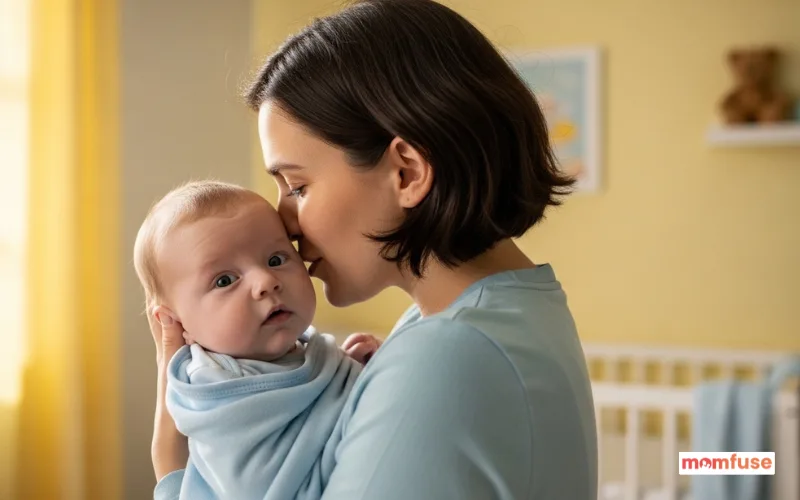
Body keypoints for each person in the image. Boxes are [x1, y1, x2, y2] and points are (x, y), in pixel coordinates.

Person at [149, 0, 598, 498]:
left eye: (298, 187)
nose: (285, 224)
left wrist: (172, 470)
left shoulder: (446, 354)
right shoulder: (496, 308)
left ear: (406, 172)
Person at [135, 181, 379, 499]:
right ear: (178, 323)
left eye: (276, 259)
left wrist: (347, 372)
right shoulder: (214, 383)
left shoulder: (310, 351)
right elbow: (261, 480)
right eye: (225, 280)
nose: (266, 282)